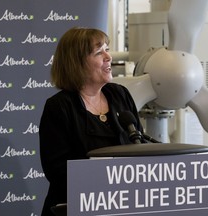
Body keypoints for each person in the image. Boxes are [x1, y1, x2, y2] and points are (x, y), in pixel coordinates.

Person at [39, 27, 144, 216]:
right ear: (76, 63)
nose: (108, 57)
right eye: (98, 52)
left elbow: (140, 145)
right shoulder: (59, 107)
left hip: (124, 206)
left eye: (107, 49)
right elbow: (57, 172)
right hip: (77, 207)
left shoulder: (120, 94)